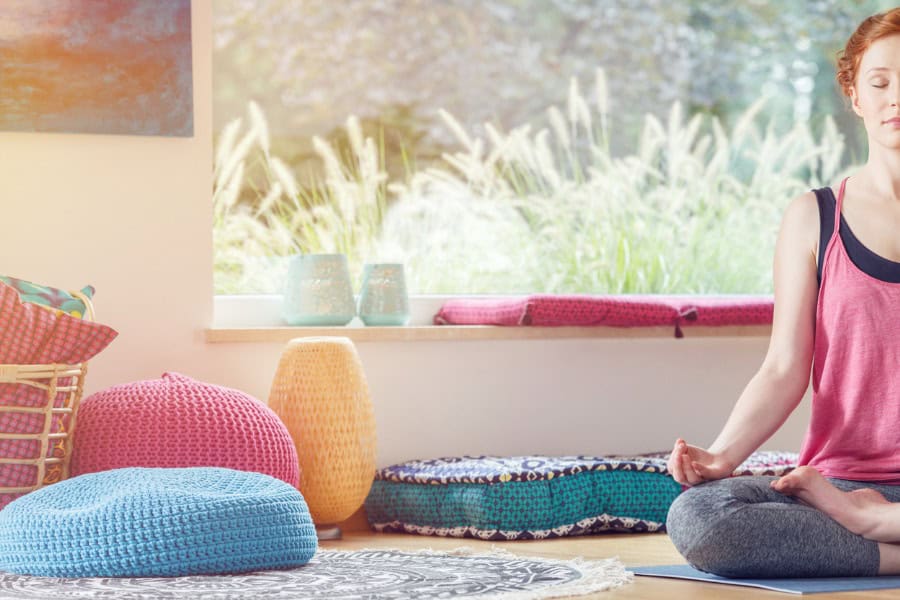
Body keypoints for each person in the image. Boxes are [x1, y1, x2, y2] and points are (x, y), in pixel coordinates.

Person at [665, 7, 900, 578]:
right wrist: (723, 456)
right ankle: (874, 526)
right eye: (880, 81)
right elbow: (784, 367)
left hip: (848, 513)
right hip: (840, 484)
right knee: (702, 518)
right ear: (853, 94)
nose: (898, 98)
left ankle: (876, 533)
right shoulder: (813, 218)